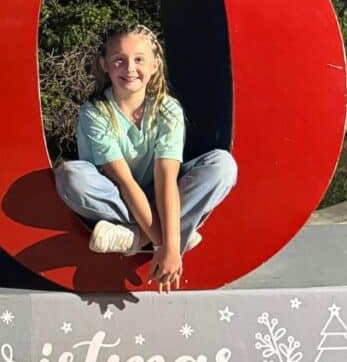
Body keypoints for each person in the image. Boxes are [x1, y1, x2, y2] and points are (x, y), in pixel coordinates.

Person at [54, 24, 237, 292]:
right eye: (119, 60)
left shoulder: (167, 110)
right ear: (105, 64)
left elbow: (166, 179)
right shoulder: (95, 112)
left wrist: (170, 249)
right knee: (71, 175)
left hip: (161, 194)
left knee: (222, 166)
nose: (129, 68)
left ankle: (135, 237)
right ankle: (164, 232)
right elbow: (125, 183)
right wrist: (165, 245)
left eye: (139, 59)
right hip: (116, 197)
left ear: (154, 65)